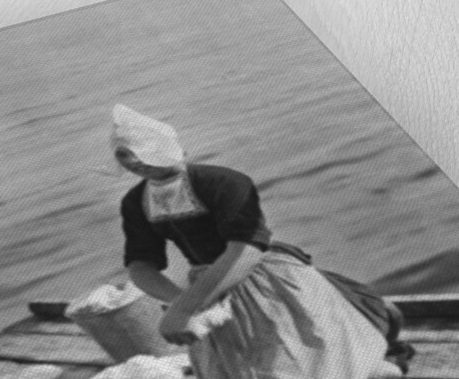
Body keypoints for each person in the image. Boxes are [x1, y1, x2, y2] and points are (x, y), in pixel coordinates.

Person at [111, 104, 414, 379]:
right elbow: (140, 264)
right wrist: (179, 301)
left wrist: (188, 308)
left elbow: (246, 248)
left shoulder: (222, 182)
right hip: (208, 287)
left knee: (310, 354)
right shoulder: (136, 201)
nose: (135, 163)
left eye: (141, 152)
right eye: (124, 156)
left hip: (263, 276)